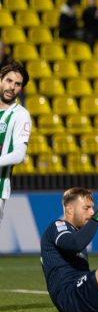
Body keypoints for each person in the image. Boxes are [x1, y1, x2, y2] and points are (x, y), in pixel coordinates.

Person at [0, 62, 31, 230]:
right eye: (8, 80)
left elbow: (19, 155)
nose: (12, 87)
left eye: (17, 84)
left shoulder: (20, 115)